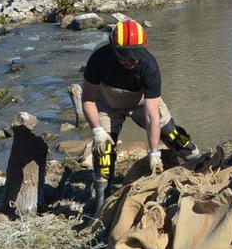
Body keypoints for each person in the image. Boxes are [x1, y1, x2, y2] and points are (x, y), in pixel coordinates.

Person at [81, 18, 199, 218]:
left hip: (141, 101)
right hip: (107, 104)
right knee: (104, 151)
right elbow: (87, 99)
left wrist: (154, 153)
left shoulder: (149, 65)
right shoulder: (98, 60)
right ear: (113, 48)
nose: (131, 61)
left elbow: (153, 114)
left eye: (135, 56)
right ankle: (101, 206)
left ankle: (195, 157)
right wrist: (97, 130)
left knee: (173, 133)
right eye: (125, 56)